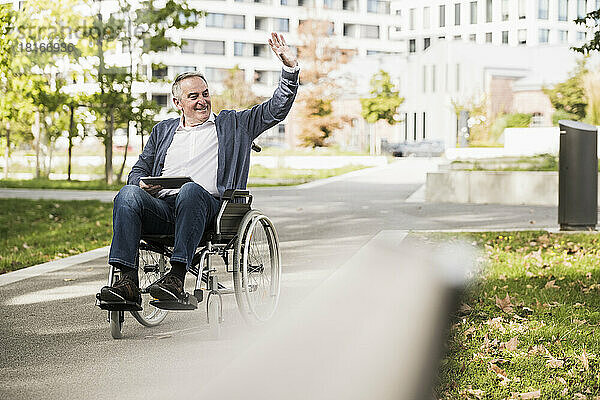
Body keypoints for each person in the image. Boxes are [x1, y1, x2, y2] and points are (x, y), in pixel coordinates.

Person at [98, 32, 299, 308]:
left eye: (205, 94)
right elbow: (139, 170)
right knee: (127, 194)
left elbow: (276, 109)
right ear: (178, 103)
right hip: (164, 209)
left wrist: (289, 68)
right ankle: (128, 282)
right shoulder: (162, 131)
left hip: (208, 211)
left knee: (191, 189)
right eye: (193, 96)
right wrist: (143, 185)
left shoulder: (233, 125)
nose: (202, 101)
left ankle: (177, 279)